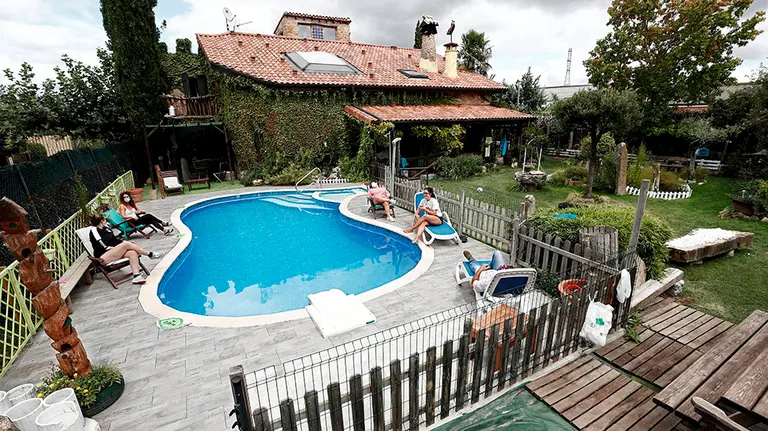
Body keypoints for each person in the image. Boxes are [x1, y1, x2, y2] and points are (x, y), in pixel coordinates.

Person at [88, 214, 163, 284]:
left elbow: (114, 240)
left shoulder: (106, 228)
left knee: (132, 252)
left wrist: (125, 244)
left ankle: (136, 276)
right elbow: (103, 245)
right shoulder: (94, 231)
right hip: (103, 256)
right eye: (105, 219)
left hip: (113, 252)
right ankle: (150, 254)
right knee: (126, 245)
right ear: (101, 221)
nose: (106, 221)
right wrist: (123, 246)